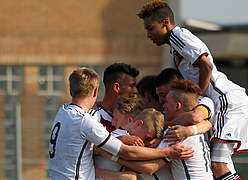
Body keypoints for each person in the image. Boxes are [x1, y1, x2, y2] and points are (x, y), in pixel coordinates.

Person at [137, 1, 248, 179]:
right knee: (221, 165)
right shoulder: (175, 48)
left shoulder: (179, 35)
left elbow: (206, 66)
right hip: (219, 101)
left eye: (150, 28)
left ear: (166, 22)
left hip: (225, 99)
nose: (148, 35)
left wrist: (198, 98)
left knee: (218, 165)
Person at [48, 67, 193, 180]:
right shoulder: (85, 121)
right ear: (95, 92)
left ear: (70, 90)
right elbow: (126, 151)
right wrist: (168, 152)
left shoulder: (63, 112)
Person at [98, 80, 213, 180]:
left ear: (177, 106)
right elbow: (208, 123)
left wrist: (112, 155)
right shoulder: (196, 127)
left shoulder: (176, 134)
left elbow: (149, 168)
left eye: (166, 102)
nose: (162, 106)